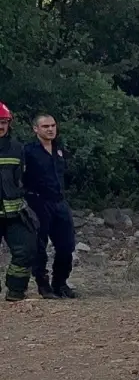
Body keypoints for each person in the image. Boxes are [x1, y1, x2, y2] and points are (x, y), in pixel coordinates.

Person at [24, 113, 78, 299]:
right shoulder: (28, 151)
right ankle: (43, 285)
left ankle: (60, 283)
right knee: (39, 245)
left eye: (53, 125)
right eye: (45, 126)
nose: (50, 129)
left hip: (59, 202)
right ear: (35, 129)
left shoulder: (60, 149)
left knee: (67, 244)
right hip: (38, 202)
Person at [0, 101, 37, 302]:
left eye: (3, 122)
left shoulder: (17, 148)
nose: (0, 126)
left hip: (15, 213)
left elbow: (26, 178)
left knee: (26, 250)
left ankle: (15, 291)